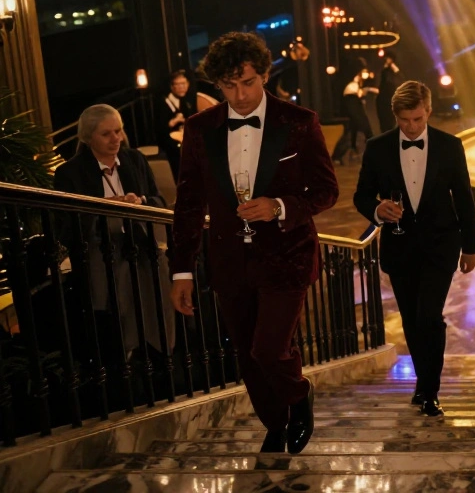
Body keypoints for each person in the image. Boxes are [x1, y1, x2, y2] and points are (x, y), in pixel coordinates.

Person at [168, 32, 339, 455]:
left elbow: (326, 190)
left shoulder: (298, 121)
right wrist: (182, 269)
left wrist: (280, 206)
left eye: (247, 82)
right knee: (246, 354)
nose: (239, 95)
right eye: (228, 86)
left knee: (269, 347)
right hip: (228, 258)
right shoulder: (199, 129)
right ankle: (275, 423)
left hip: (287, 255)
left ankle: (298, 395)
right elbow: (188, 203)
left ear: (264, 74)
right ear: (217, 85)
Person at [353, 81, 475, 417]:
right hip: (399, 245)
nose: (411, 127)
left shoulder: (450, 146)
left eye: (418, 119)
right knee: (411, 319)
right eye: (405, 120)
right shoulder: (377, 148)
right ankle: (424, 383)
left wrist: (471, 247)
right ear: (396, 116)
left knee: (428, 316)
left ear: (428, 112)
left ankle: (429, 389)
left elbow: (464, 199)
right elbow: (361, 195)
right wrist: (378, 209)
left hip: (440, 245)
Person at [55, 104, 172, 364]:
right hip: (101, 251)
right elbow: (66, 227)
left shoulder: (135, 160)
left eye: (118, 131)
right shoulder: (69, 173)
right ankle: (125, 355)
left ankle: (161, 353)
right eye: (106, 134)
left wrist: (140, 202)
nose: (116, 139)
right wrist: (107, 209)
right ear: (87, 138)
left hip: (141, 244)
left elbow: (159, 200)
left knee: (157, 274)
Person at [155, 70, 199, 180]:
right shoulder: (164, 102)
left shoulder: (186, 101)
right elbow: (159, 128)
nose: (181, 87)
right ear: (171, 86)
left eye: (184, 84)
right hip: (169, 142)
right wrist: (174, 121)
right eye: (178, 84)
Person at [333, 62, 375, 165]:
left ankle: (338, 157)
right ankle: (338, 156)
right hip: (353, 107)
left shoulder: (354, 86)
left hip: (353, 107)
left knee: (351, 134)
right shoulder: (352, 86)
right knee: (358, 132)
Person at [376, 52, 403, 134]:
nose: (386, 60)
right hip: (383, 96)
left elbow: (399, 77)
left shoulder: (394, 70)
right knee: (383, 118)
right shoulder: (384, 70)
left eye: (388, 58)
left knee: (390, 118)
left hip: (390, 96)